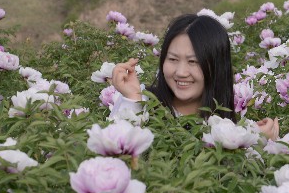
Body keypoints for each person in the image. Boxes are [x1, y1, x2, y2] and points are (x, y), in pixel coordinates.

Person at [111, 13, 279, 139]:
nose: (181, 72)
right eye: (173, 59)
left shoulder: (228, 129)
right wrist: (132, 99)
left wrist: (256, 142)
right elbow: (113, 155)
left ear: (217, 66)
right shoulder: (142, 104)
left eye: (194, 62)